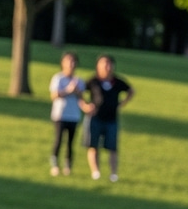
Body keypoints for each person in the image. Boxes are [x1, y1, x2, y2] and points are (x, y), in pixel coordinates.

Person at [81, 54, 134, 182]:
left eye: (109, 64)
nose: (106, 67)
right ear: (98, 66)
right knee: (93, 146)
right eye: (103, 64)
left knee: (112, 147)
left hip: (111, 119)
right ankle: (96, 172)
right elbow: (79, 92)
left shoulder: (117, 82)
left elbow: (131, 91)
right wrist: (85, 106)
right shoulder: (93, 81)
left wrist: (122, 103)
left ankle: (113, 174)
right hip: (95, 117)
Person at [48, 51, 85, 176]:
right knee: (58, 140)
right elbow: (54, 95)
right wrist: (68, 90)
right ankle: (54, 164)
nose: (71, 64)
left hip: (74, 115)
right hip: (60, 115)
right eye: (68, 61)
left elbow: (82, 98)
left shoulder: (79, 81)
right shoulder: (58, 78)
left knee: (70, 142)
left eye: (73, 61)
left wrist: (77, 91)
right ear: (62, 63)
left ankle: (68, 166)